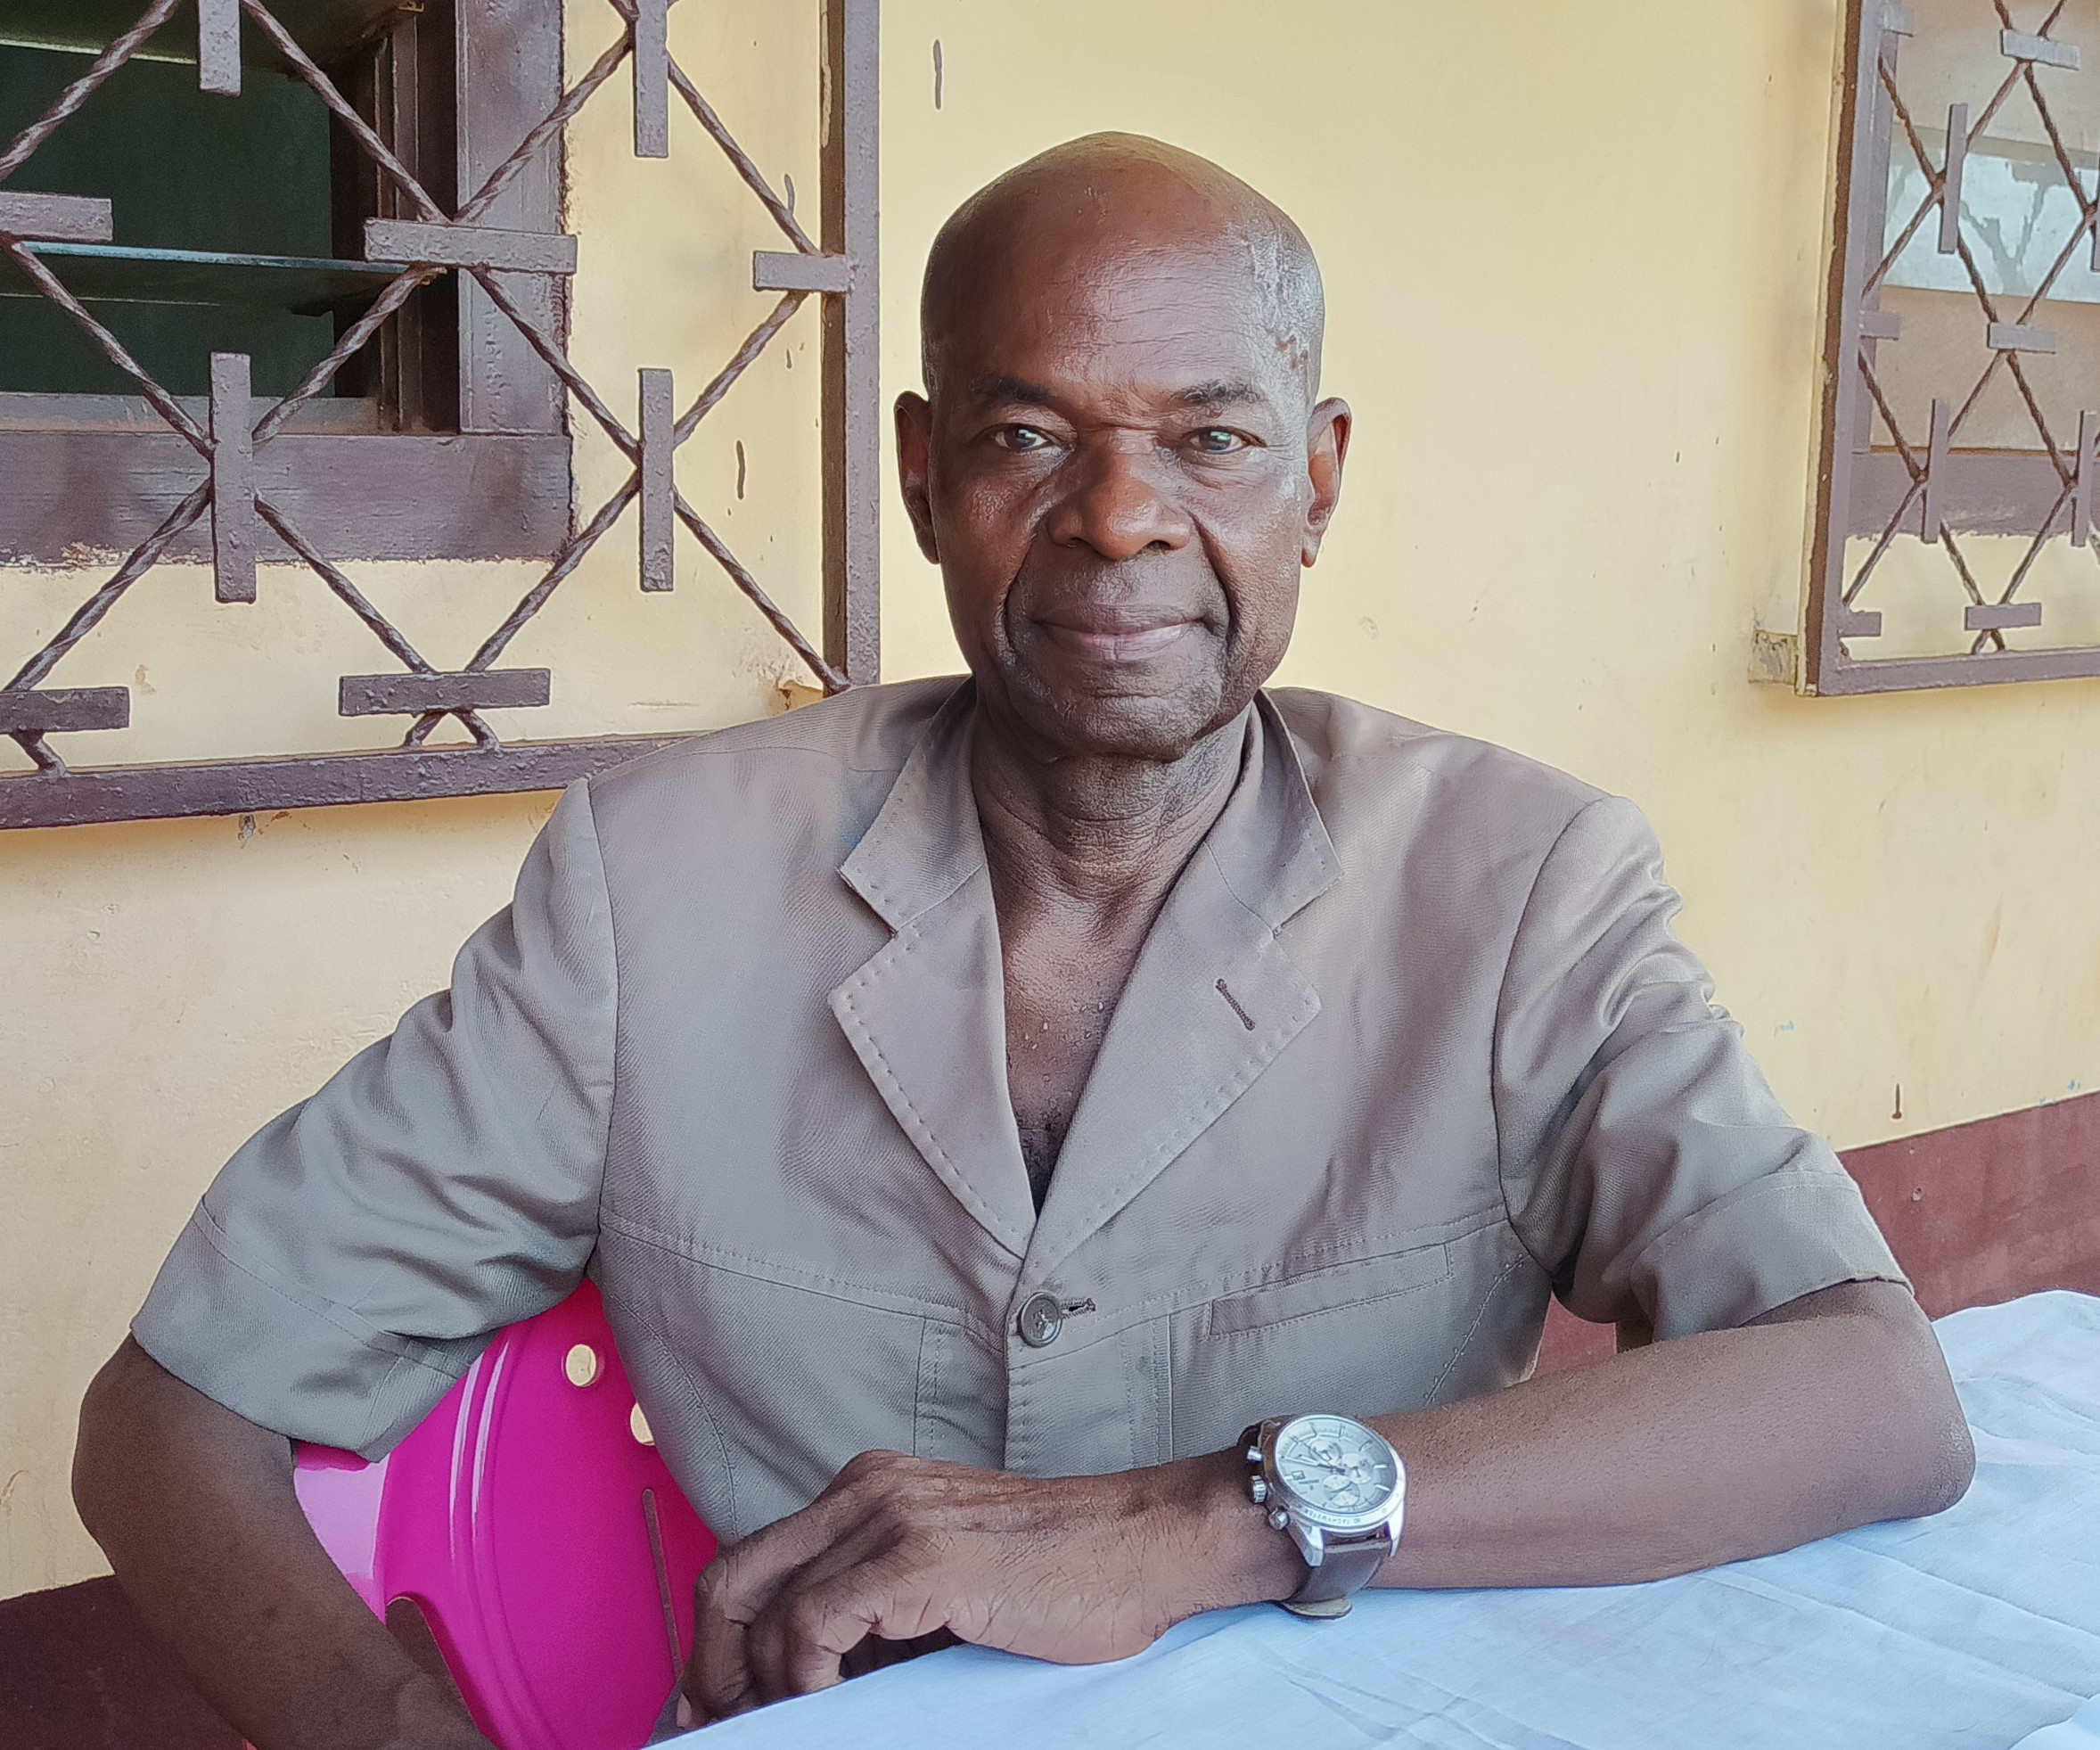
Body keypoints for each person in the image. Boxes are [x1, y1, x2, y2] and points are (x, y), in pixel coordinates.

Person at [72, 134, 1973, 1747]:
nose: (1118, 518)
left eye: (1209, 438)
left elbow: (1869, 1391)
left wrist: (1199, 1520)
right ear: (923, 475)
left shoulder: (1520, 887)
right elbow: (173, 1417)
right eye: (1026, 433)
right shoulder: (653, 891)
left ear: (1316, 479)